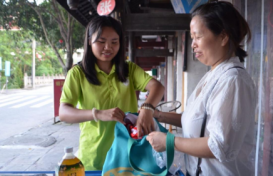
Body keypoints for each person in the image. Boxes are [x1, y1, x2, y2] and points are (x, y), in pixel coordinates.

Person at [146, 1, 256, 176]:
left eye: (198, 36)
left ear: (223, 37)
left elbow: (219, 146)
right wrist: (156, 115)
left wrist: (170, 141)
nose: (193, 44)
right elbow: (196, 120)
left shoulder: (233, 80)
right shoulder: (213, 75)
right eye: (192, 38)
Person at [59, 16, 164, 170]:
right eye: (101, 41)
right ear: (89, 41)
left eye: (114, 42)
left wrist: (147, 109)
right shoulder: (77, 73)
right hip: (94, 157)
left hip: (129, 155)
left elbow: (157, 86)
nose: (108, 47)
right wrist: (98, 114)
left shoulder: (129, 69)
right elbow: (63, 112)